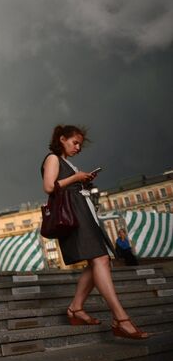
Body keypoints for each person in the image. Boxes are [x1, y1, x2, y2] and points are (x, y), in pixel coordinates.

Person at [41, 125, 149, 340]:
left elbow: (66, 186)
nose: (78, 147)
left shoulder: (67, 163)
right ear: (62, 139)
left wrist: (82, 180)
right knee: (100, 259)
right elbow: (49, 187)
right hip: (75, 216)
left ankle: (76, 308)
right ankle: (121, 318)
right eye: (75, 142)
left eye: (80, 144)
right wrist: (76, 178)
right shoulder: (52, 158)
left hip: (84, 213)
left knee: (99, 261)